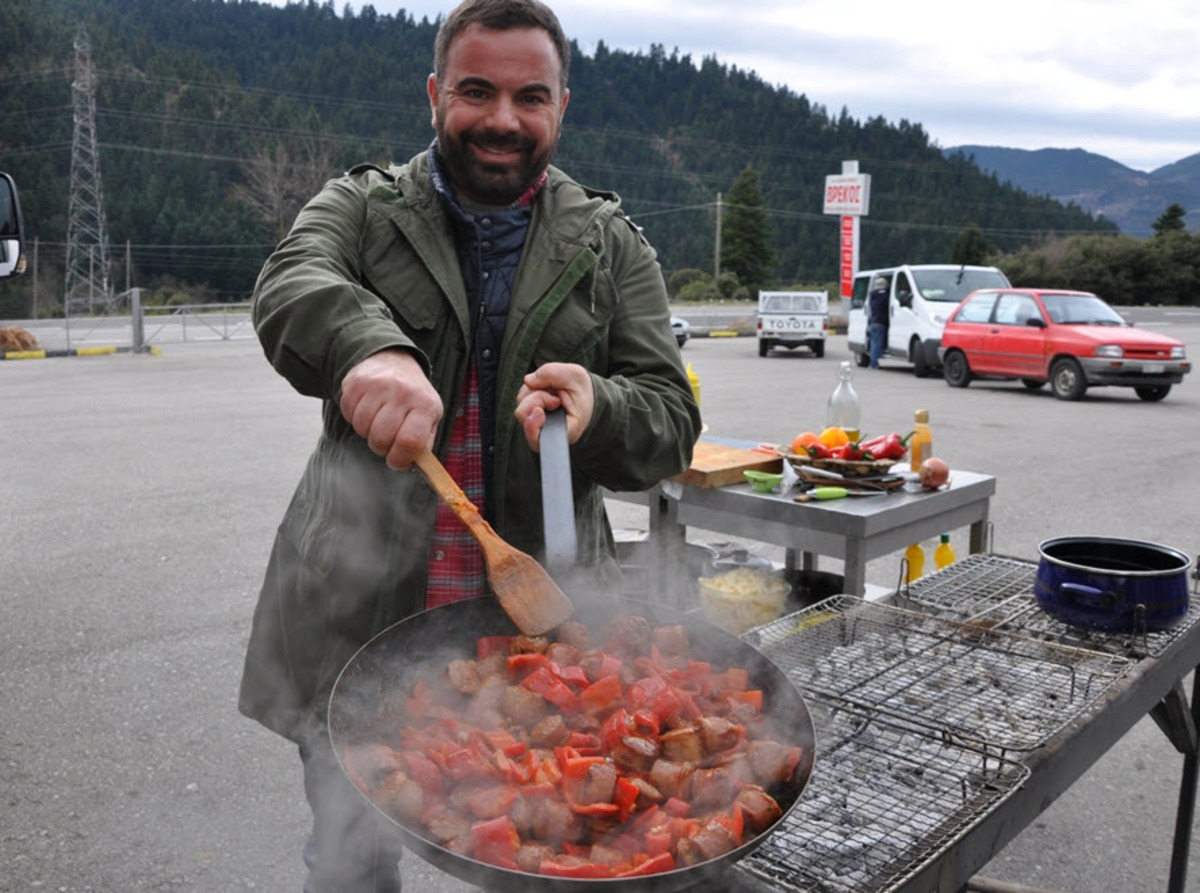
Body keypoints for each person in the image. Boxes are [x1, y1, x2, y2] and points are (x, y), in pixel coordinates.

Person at [236, 1, 701, 890]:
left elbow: (670, 417)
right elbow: (292, 281)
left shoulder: (611, 246)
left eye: (531, 96)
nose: (501, 119)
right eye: (476, 91)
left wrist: (601, 404)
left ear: (562, 105)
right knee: (350, 857)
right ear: (434, 94)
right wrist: (366, 345)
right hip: (361, 624)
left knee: (545, 847)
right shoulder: (363, 208)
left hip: (538, 633)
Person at [867, 274, 889, 368]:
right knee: (877, 344)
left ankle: (872, 362)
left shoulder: (873, 295)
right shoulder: (886, 296)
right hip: (881, 323)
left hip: (873, 322)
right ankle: (873, 363)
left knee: (873, 343)